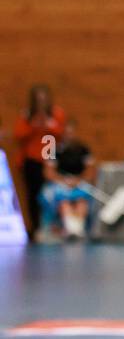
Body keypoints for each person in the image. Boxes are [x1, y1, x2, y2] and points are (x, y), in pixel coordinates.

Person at [14, 84, 65, 237]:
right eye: (38, 99)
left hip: (49, 158)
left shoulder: (56, 113)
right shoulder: (28, 115)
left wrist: (48, 124)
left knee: (50, 193)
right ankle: (36, 227)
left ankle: (52, 227)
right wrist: (33, 125)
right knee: (33, 195)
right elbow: (19, 135)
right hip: (32, 160)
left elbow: (60, 132)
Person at [39, 119, 97, 242]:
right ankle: (70, 229)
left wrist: (78, 180)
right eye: (66, 132)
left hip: (79, 184)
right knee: (63, 201)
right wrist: (63, 180)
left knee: (82, 201)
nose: (69, 135)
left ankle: (78, 230)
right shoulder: (53, 149)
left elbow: (91, 171)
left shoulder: (83, 149)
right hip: (61, 184)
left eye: (71, 132)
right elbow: (48, 172)